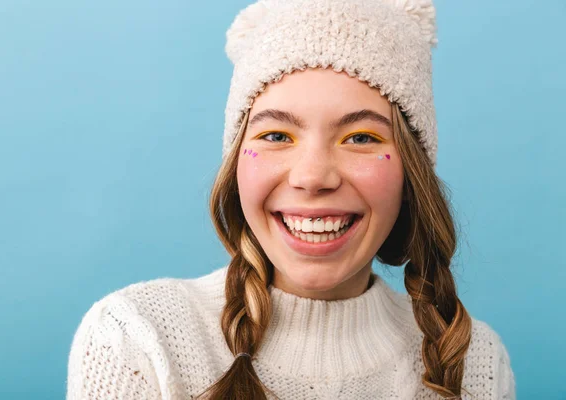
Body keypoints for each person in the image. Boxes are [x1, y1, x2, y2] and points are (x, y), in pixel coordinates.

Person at [66, 0, 516, 399]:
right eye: (277, 134)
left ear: (410, 171)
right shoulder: (138, 339)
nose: (312, 177)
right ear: (237, 164)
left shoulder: (476, 362)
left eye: (360, 136)